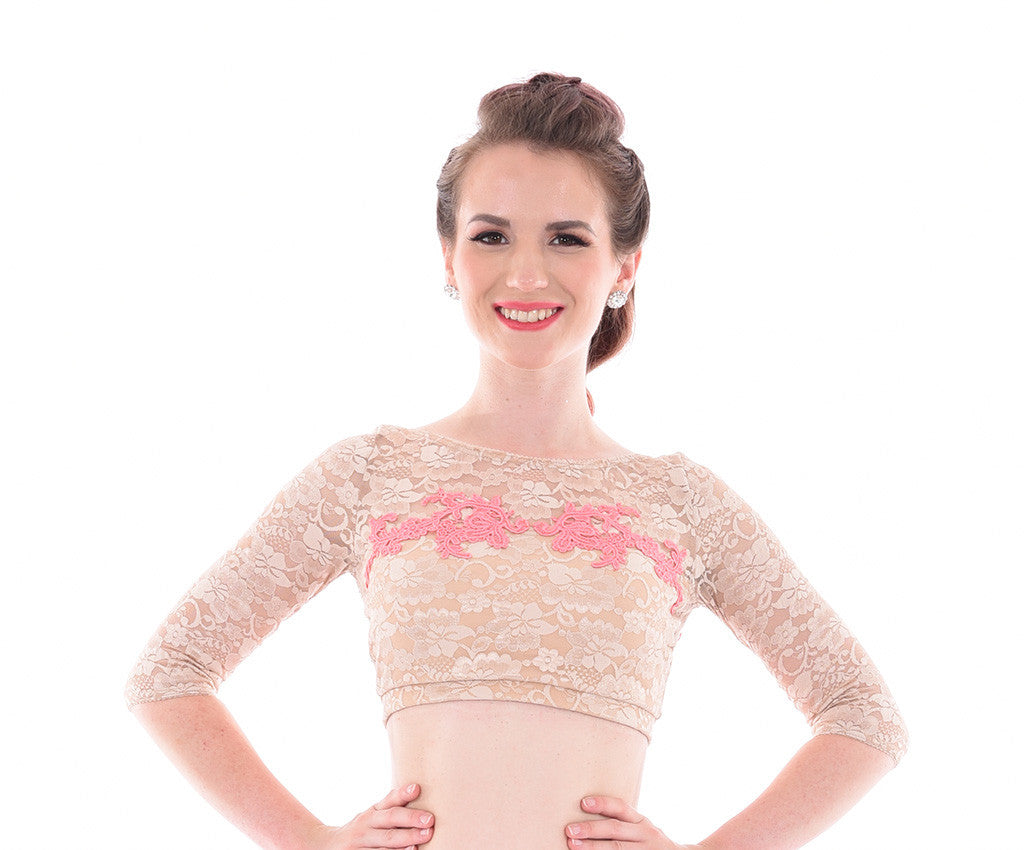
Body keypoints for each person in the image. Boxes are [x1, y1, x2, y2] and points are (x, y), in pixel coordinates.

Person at [125, 72, 907, 850]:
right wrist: (312, 840)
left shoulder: (680, 502)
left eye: (567, 238)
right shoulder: (370, 475)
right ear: (449, 256)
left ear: (625, 265)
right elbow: (169, 674)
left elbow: (864, 716)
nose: (527, 275)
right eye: (491, 236)